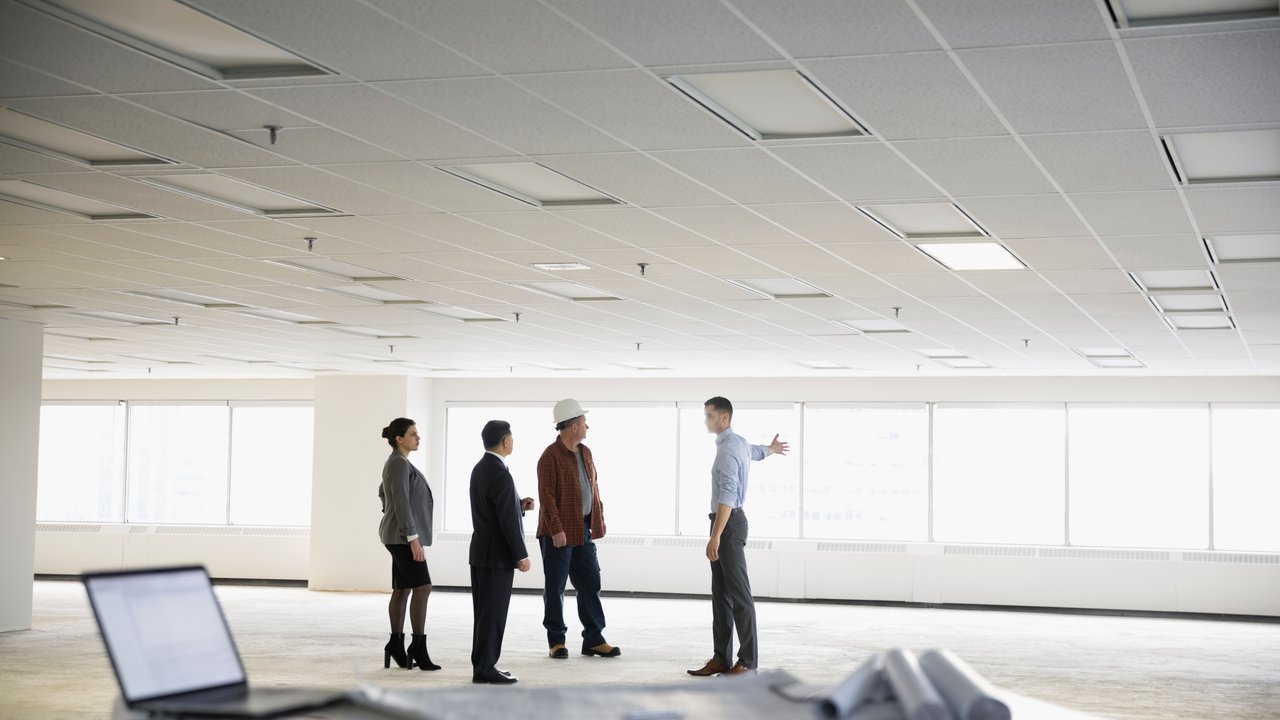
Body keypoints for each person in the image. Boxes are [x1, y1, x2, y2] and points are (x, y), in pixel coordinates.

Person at [687, 397, 788, 678]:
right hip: (725, 523)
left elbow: (728, 495)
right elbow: (756, 452)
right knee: (721, 596)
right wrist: (772, 449)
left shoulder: (729, 449)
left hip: (728, 524)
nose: (706, 420)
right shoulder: (738, 443)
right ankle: (721, 658)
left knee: (739, 596)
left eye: (709, 416)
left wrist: (716, 535)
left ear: (724, 418)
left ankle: (747, 663)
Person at [535, 398, 619, 660]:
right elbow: (546, 498)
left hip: (583, 529)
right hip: (558, 534)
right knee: (556, 588)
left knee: (590, 583)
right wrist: (556, 529)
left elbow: (594, 488)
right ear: (573, 426)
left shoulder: (586, 453)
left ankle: (594, 639)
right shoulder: (549, 457)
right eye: (584, 422)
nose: (587, 426)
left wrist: (598, 519)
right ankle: (556, 641)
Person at [469, 420, 534, 685]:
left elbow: (494, 509)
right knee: (493, 614)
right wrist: (521, 555)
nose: (513, 442)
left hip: (481, 552)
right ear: (505, 441)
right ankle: (485, 668)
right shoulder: (501, 473)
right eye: (512, 438)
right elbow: (506, 520)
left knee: (484, 614)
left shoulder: (480, 468)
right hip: (497, 556)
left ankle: (483, 665)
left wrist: (519, 506)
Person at [377, 417, 441, 672]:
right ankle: (417, 647)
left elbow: (384, 491)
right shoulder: (398, 463)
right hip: (402, 538)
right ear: (399, 439)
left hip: (398, 535)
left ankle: (395, 644)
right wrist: (413, 538)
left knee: (403, 589)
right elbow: (401, 501)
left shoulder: (399, 462)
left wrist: (389, 509)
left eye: (417, 433)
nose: (418, 437)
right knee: (423, 587)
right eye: (413, 434)